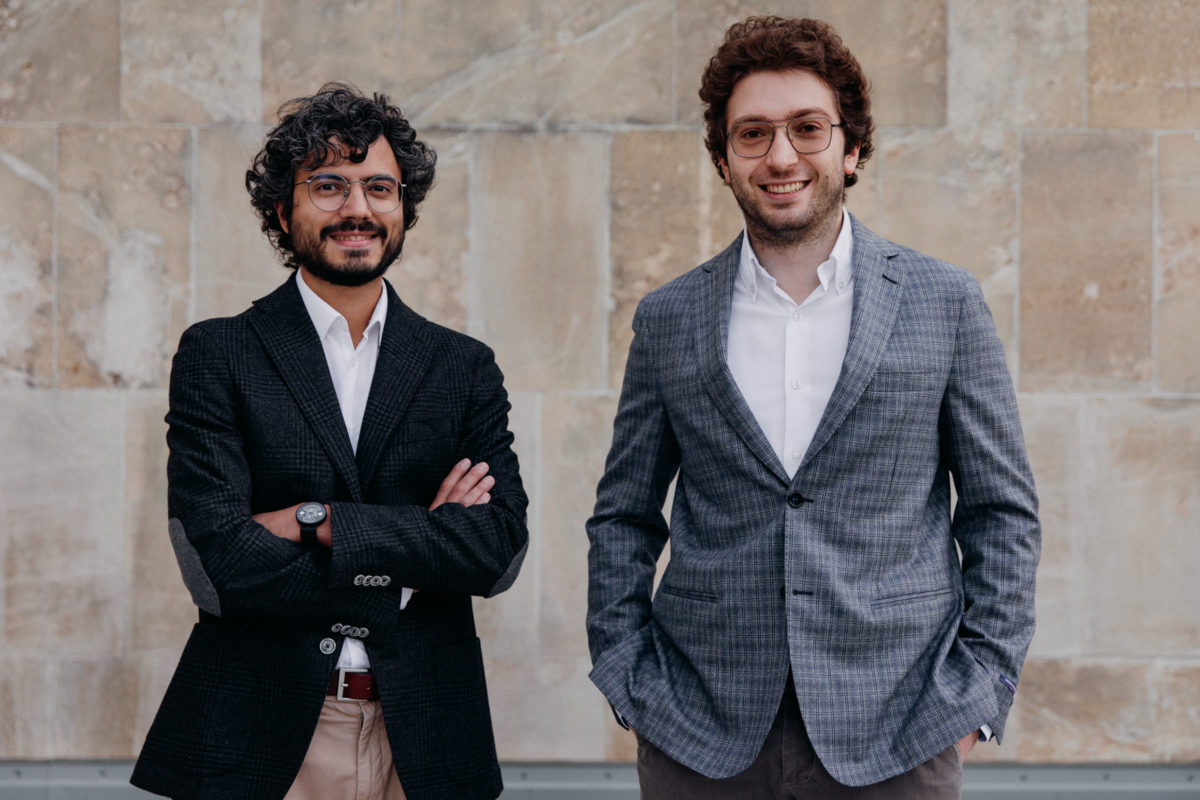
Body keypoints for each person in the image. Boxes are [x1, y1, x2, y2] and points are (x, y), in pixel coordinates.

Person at [586, 16, 1040, 799]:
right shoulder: (669, 318)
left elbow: (1002, 512)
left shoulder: (945, 302)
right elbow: (624, 515)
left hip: (900, 724)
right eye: (753, 134)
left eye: (807, 128)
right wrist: (628, 675)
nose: (781, 155)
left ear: (852, 148)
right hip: (700, 727)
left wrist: (983, 684)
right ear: (723, 160)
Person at [131, 83, 528, 800]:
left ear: (404, 207)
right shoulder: (219, 354)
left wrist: (319, 522)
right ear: (283, 209)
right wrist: (416, 554)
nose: (358, 208)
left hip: (428, 737)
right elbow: (221, 563)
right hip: (260, 732)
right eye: (329, 186)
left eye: (380, 187)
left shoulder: (462, 367)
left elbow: (495, 550)